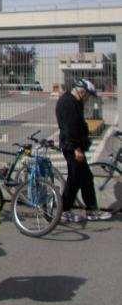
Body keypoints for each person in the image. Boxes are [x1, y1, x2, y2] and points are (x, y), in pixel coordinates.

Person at [56, 78, 112, 222]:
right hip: (72, 148)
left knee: (81, 178)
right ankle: (72, 211)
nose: (88, 98)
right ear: (82, 91)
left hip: (74, 147)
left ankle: (72, 210)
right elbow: (70, 129)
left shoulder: (74, 101)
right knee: (78, 178)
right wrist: (76, 149)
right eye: (88, 95)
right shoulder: (68, 103)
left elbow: (77, 125)